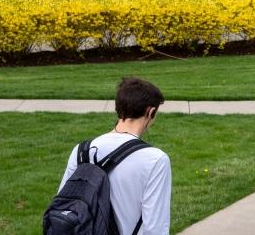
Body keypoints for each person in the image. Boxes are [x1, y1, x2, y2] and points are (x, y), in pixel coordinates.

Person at [57, 77, 171, 235]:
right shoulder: (156, 160)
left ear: (119, 108)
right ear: (150, 112)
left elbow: (63, 205)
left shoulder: (81, 150)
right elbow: (155, 227)